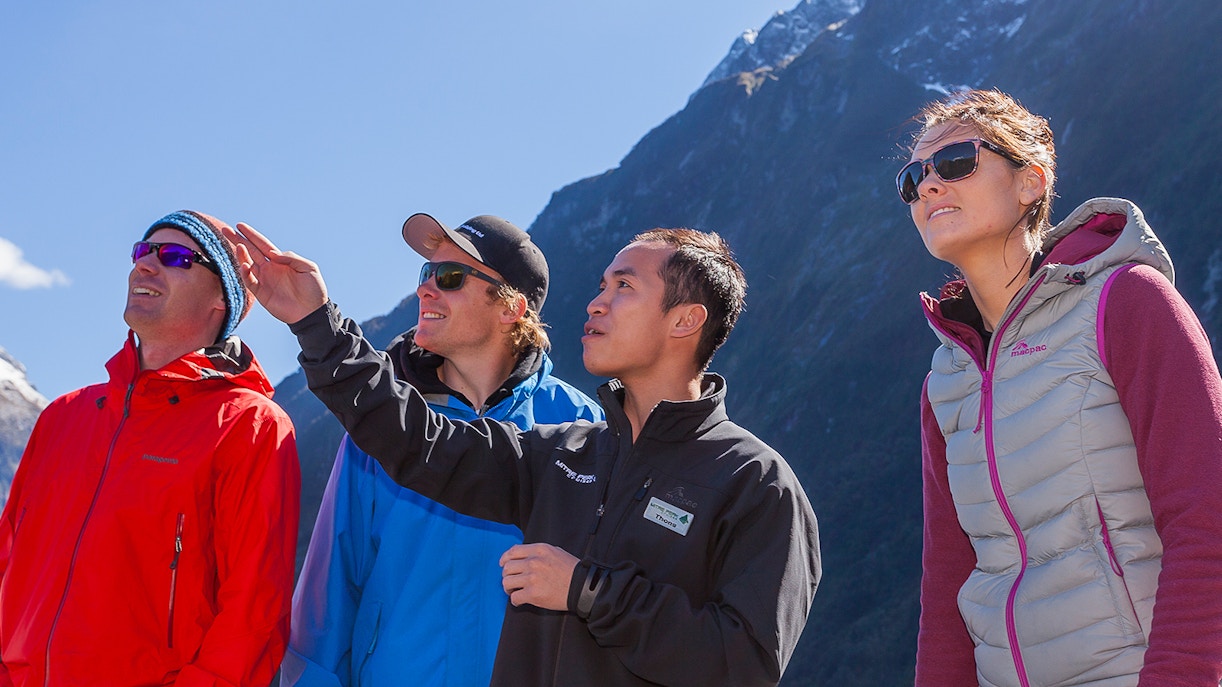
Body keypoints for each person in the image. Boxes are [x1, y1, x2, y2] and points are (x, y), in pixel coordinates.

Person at [223, 220, 821, 687]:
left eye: (624, 287)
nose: (595, 302)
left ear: (686, 321)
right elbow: (416, 441)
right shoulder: (562, 454)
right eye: (601, 284)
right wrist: (315, 324)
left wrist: (587, 591)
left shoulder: (756, 484)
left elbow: (745, 662)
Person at [900, 89, 1222, 686]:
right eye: (913, 177)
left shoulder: (1126, 303)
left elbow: (1207, 517)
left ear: (1030, 182)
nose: (927, 186)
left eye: (955, 163)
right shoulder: (946, 381)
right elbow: (949, 583)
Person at [281, 213, 603, 687]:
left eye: (450, 277)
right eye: (425, 275)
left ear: (511, 307)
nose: (425, 290)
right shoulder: (383, 424)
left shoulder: (581, 424)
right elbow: (328, 590)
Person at [0, 210, 300, 687]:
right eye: (141, 252)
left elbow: (254, 610)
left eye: (176, 256)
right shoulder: (63, 417)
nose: (144, 265)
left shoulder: (248, 424)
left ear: (222, 298)